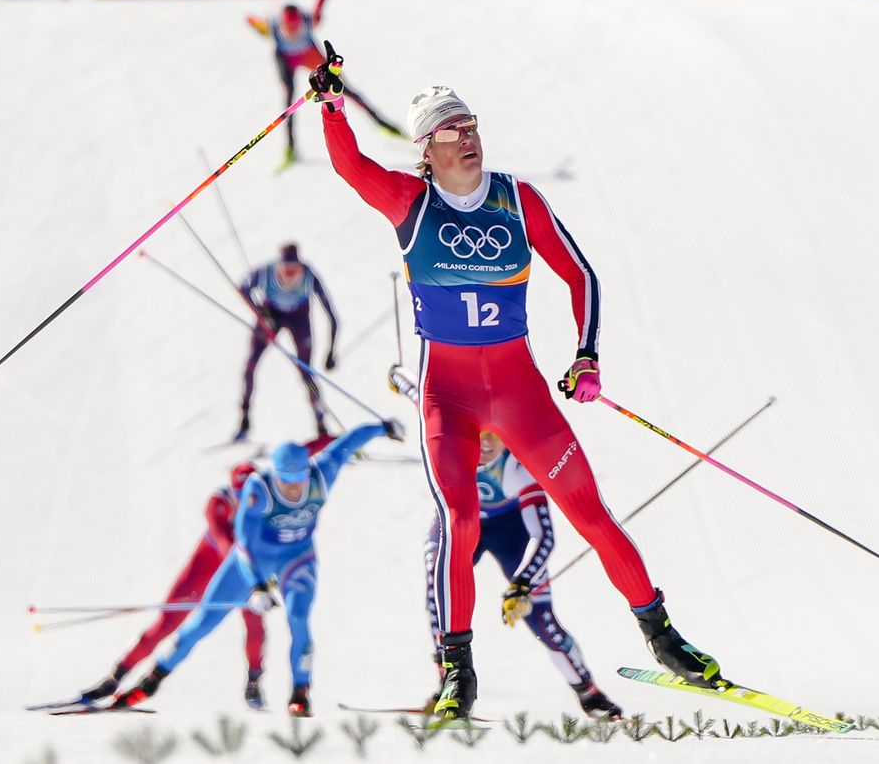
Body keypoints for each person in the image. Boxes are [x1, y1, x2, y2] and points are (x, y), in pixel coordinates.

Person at [307, 49, 727, 718]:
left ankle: (665, 638)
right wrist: (331, 104)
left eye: (471, 124)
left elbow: (580, 274)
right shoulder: (409, 202)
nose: (468, 137)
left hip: (520, 389)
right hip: (450, 395)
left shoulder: (516, 199)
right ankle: (457, 671)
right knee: (461, 520)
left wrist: (586, 354)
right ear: (428, 147)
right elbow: (349, 165)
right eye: (453, 130)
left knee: (590, 513)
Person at [111, 419, 405, 716]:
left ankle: (300, 694)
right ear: (275, 475)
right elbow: (245, 543)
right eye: (286, 481)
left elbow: (348, 443)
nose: (293, 488)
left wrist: (384, 427)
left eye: (299, 479)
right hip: (253, 560)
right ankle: (152, 681)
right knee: (203, 623)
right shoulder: (259, 489)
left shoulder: (322, 474)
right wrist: (257, 585)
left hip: (297, 558)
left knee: (299, 618)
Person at [389, 366, 622, 719]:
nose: (484, 445)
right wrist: (398, 376)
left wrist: (522, 584)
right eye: (478, 435)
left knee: (539, 618)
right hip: (458, 520)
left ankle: (589, 693)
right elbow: (417, 391)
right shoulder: (451, 428)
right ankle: (448, 682)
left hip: (509, 530)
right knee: (438, 590)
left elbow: (542, 536)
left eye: (493, 437)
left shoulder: (517, 464)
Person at [70, 439, 332, 709]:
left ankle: (253, 683)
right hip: (210, 569)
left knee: (255, 626)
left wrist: (336, 438)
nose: (245, 502)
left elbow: (304, 453)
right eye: (239, 496)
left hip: (244, 575)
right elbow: (225, 543)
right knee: (168, 624)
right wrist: (260, 574)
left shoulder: (264, 497)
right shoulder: (218, 504)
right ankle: (117, 677)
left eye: (247, 497)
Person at [245, 0, 403, 168]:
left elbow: (318, 14)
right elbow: (257, 25)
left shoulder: (307, 20)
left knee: (342, 87)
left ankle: (381, 123)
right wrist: (252, 20)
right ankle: (290, 148)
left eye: (295, 28)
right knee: (289, 100)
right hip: (286, 59)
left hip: (308, 53)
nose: (293, 32)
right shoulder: (273, 26)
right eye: (289, 29)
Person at [236, 242, 339, 441]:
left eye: (295, 270)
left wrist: (331, 351)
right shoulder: (265, 272)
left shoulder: (309, 275)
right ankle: (244, 418)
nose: (291, 275)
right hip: (271, 316)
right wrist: (260, 312)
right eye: (286, 270)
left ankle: (321, 424)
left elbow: (333, 317)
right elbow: (243, 287)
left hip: (299, 319)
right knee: (251, 365)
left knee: (306, 373)